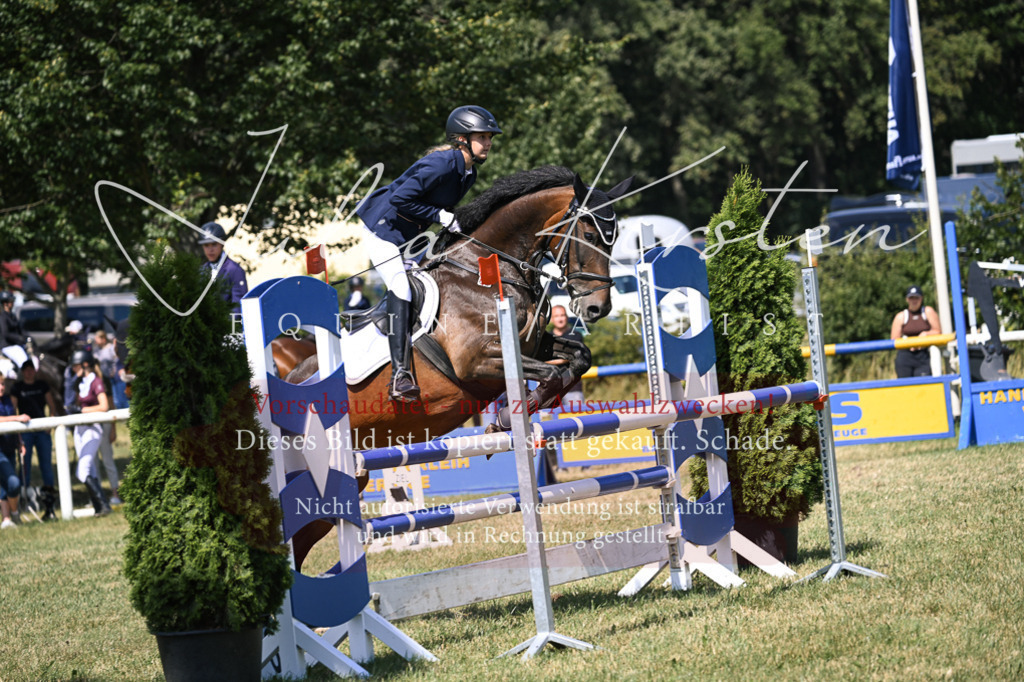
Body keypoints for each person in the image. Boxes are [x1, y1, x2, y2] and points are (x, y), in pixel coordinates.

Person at [355, 105, 502, 402]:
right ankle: (399, 376)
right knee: (401, 288)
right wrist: (439, 215)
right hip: (383, 231)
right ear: (462, 139)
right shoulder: (441, 165)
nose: (488, 143)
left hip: (410, 236)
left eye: (490, 138)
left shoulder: (468, 173)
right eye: (482, 137)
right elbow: (400, 198)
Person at [65, 349, 112, 516]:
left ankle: (104, 504)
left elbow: (104, 406)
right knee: (90, 469)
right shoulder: (81, 383)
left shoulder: (95, 381)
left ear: (85, 365)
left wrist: (83, 410)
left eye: (76, 366)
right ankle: (99, 507)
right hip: (80, 428)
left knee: (82, 470)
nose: (73, 369)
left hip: (92, 428)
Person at [10, 360, 59, 521]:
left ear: (34, 371)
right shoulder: (17, 388)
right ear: (23, 372)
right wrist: (17, 431)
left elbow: (52, 405)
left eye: (31, 369)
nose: (29, 372)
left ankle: (50, 502)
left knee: (46, 465)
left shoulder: (42, 385)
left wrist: (51, 422)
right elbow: (13, 409)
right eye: (26, 370)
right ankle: (24, 499)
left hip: (42, 429)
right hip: (26, 431)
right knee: (25, 465)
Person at [91, 330, 121, 505]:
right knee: (93, 461)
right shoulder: (85, 383)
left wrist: (113, 429)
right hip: (91, 424)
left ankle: (115, 493)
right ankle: (97, 495)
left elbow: (111, 406)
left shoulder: (104, 382)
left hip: (104, 424)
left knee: (107, 459)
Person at [198, 221, 249, 318]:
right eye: (206, 245)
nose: (210, 250)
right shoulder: (201, 271)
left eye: (214, 244)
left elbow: (238, 306)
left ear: (222, 244)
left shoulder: (235, 270)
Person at [891, 285, 941, 378]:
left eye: (916, 298)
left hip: (923, 355)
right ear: (907, 299)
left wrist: (926, 334)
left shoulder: (928, 312)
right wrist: (909, 343)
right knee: (905, 385)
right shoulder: (901, 316)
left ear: (921, 298)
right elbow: (894, 340)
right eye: (911, 298)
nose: (914, 301)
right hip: (905, 355)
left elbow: (938, 331)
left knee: (924, 384)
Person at [0, 380, 28, 528]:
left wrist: (20, 441)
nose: (1, 387)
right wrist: (17, 418)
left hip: (9, 447)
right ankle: (15, 513)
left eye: (2, 384)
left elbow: (14, 424)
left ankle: (6, 519)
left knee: (5, 484)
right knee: (13, 482)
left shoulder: (7, 400)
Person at [550, 305, 586, 411]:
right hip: (550, 391)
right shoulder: (547, 337)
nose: (560, 319)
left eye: (562, 315)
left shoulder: (576, 335)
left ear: (566, 317)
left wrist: (548, 361)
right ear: (551, 319)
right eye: (556, 316)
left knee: (578, 419)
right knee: (552, 421)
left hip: (572, 388)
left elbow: (572, 356)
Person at [1, 290, 33, 378]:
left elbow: (20, 330)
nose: (13, 303)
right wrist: (19, 338)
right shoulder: (2, 317)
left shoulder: (13, 316)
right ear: (5, 303)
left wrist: (28, 337)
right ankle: (22, 379)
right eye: (11, 301)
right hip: (8, 346)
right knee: (24, 361)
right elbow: (6, 334)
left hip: (17, 345)